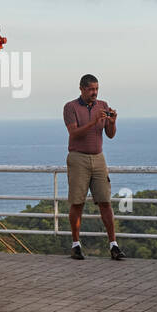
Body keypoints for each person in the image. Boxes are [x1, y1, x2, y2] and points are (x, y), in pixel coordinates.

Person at [63, 74, 124, 260]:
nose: (94, 93)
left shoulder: (103, 105)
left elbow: (110, 135)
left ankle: (113, 245)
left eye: (96, 89)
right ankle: (76, 245)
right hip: (78, 158)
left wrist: (112, 123)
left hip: (98, 158)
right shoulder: (70, 107)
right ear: (81, 89)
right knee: (77, 202)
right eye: (90, 89)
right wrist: (93, 121)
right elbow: (73, 133)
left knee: (105, 201)